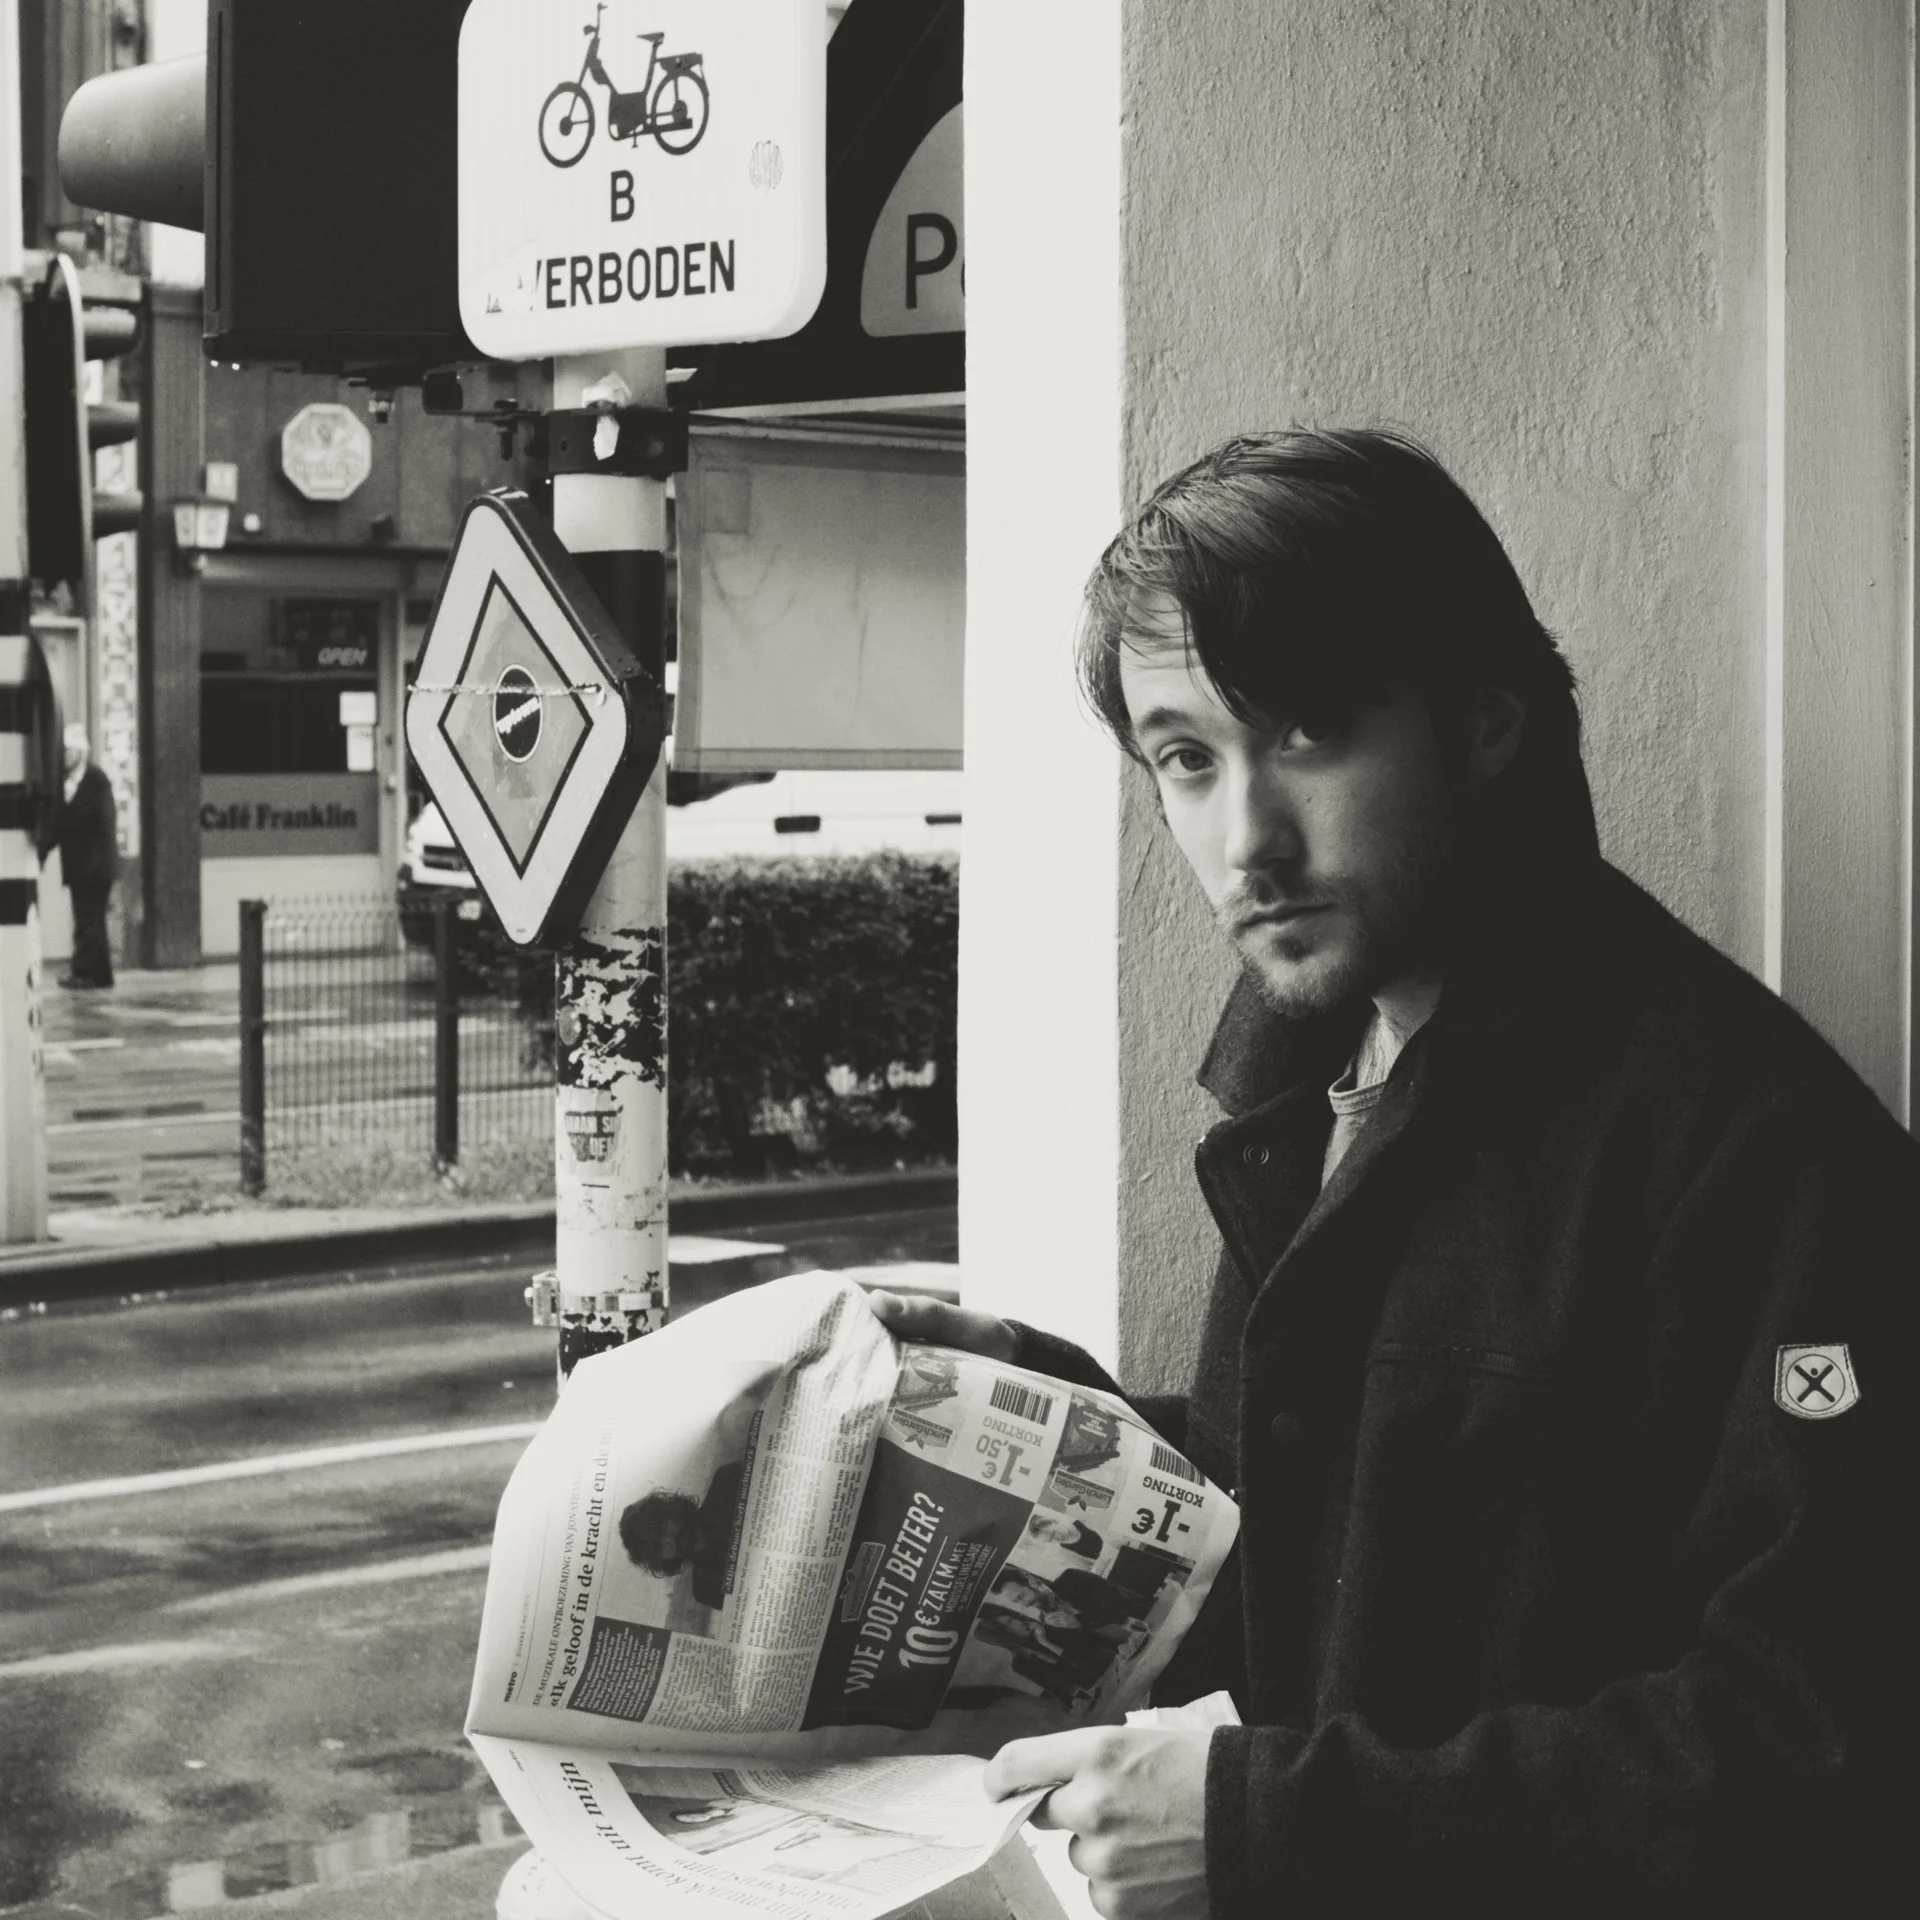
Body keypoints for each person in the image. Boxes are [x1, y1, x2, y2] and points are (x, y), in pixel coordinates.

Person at [870, 430, 1914, 1914]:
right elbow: (1349, 1495)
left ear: (1486, 722)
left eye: (1304, 734)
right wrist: (1015, 1401)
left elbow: (1822, 1745)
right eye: (1186, 759)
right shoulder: (1316, 1075)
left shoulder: (1751, 1149)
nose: (1246, 841)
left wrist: (1264, 1828)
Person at [51, 724, 117, 989]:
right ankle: (101, 975)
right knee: (90, 920)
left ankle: (85, 972)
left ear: (80, 752)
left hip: (94, 866)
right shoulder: (67, 783)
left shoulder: (95, 780)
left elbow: (102, 822)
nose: (65, 756)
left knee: (89, 921)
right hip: (80, 866)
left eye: (68, 751)